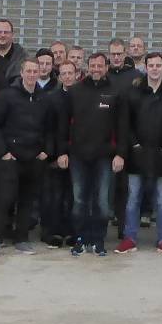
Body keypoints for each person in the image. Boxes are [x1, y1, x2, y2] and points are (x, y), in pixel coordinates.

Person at [0, 52, 57, 256]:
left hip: (34, 158)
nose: (32, 74)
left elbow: (50, 129)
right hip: (11, 157)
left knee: (27, 200)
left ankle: (21, 238)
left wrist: (46, 151)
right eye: (28, 71)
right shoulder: (8, 95)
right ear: (21, 73)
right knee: (5, 199)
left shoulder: (45, 98)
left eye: (35, 71)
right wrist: (4, 152)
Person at [57, 51, 123, 256]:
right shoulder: (75, 91)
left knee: (102, 202)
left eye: (100, 66)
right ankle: (80, 238)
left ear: (106, 67)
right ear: (87, 67)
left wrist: (120, 154)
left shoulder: (115, 91)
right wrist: (62, 152)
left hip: (105, 156)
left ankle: (98, 239)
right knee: (79, 201)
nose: (96, 69)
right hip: (78, 156)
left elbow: (122, 126)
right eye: (93, 65)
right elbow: (63, 124)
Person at [119, 52, 162, 252]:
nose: (154, 69)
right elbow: (125, 122)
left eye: (158, 65)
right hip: (137, 154)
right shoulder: (133, 92)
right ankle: (129, 238)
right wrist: (134, 144)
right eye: (151, 65)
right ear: (145, 67)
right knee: (133, 198)